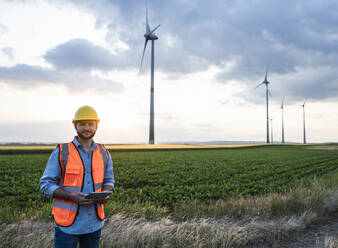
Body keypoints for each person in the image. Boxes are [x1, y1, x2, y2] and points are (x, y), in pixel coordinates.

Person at [40, 105, 114, 248]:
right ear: (75, 126)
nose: (87, 128)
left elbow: (109, 180)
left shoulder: (104, 152)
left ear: (96, 126)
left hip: (94, 224)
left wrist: (106, 193)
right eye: (82, 124)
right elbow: (46, 185)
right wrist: (71, 197)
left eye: (90, 124)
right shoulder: (62, 151)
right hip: (68, 226)